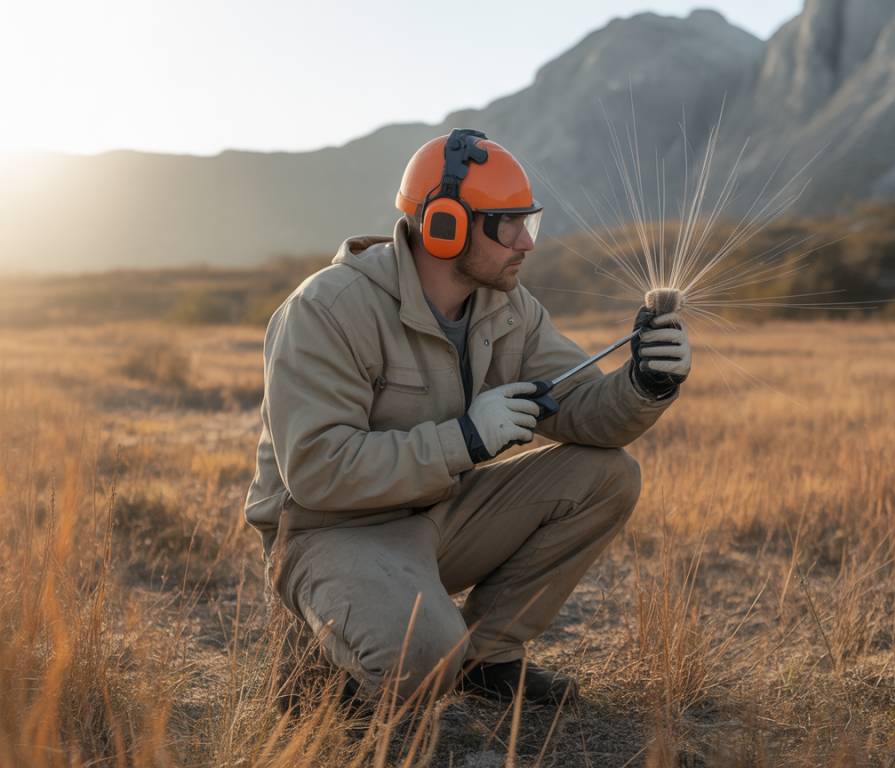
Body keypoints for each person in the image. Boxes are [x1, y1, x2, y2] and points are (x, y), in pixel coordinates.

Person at [243, 129, 691, 706]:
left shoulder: (509, 306)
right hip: (327, 532)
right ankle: (327, 658)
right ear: (446, 225)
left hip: (436, 513)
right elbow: (317, 473)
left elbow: (584, 410)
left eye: (531, 222)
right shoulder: (327, 309)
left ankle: (489, 660)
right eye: (509, 225)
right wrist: (466, 439)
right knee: (424, 659)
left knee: (608, 475)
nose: (527, 243)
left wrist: (644, 383)